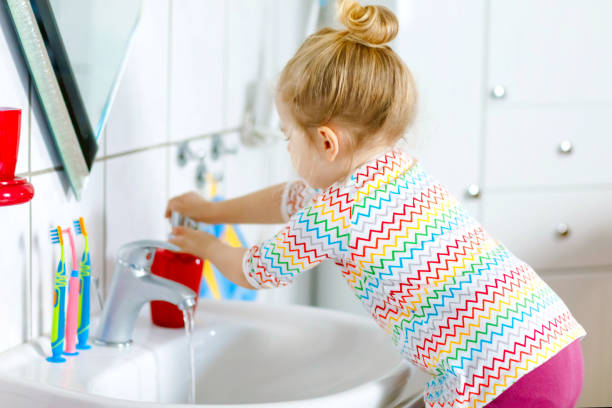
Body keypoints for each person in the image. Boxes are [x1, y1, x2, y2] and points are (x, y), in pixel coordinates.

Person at [166, 1, 586, 406]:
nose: (288, 148)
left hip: (501, 377)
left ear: (327, 141)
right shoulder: (394, 170)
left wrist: (205, 245)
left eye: (287, 136)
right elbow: (289, 200)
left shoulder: (337, 214)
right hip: (548, 340)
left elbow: (257, 270)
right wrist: (210, 210)